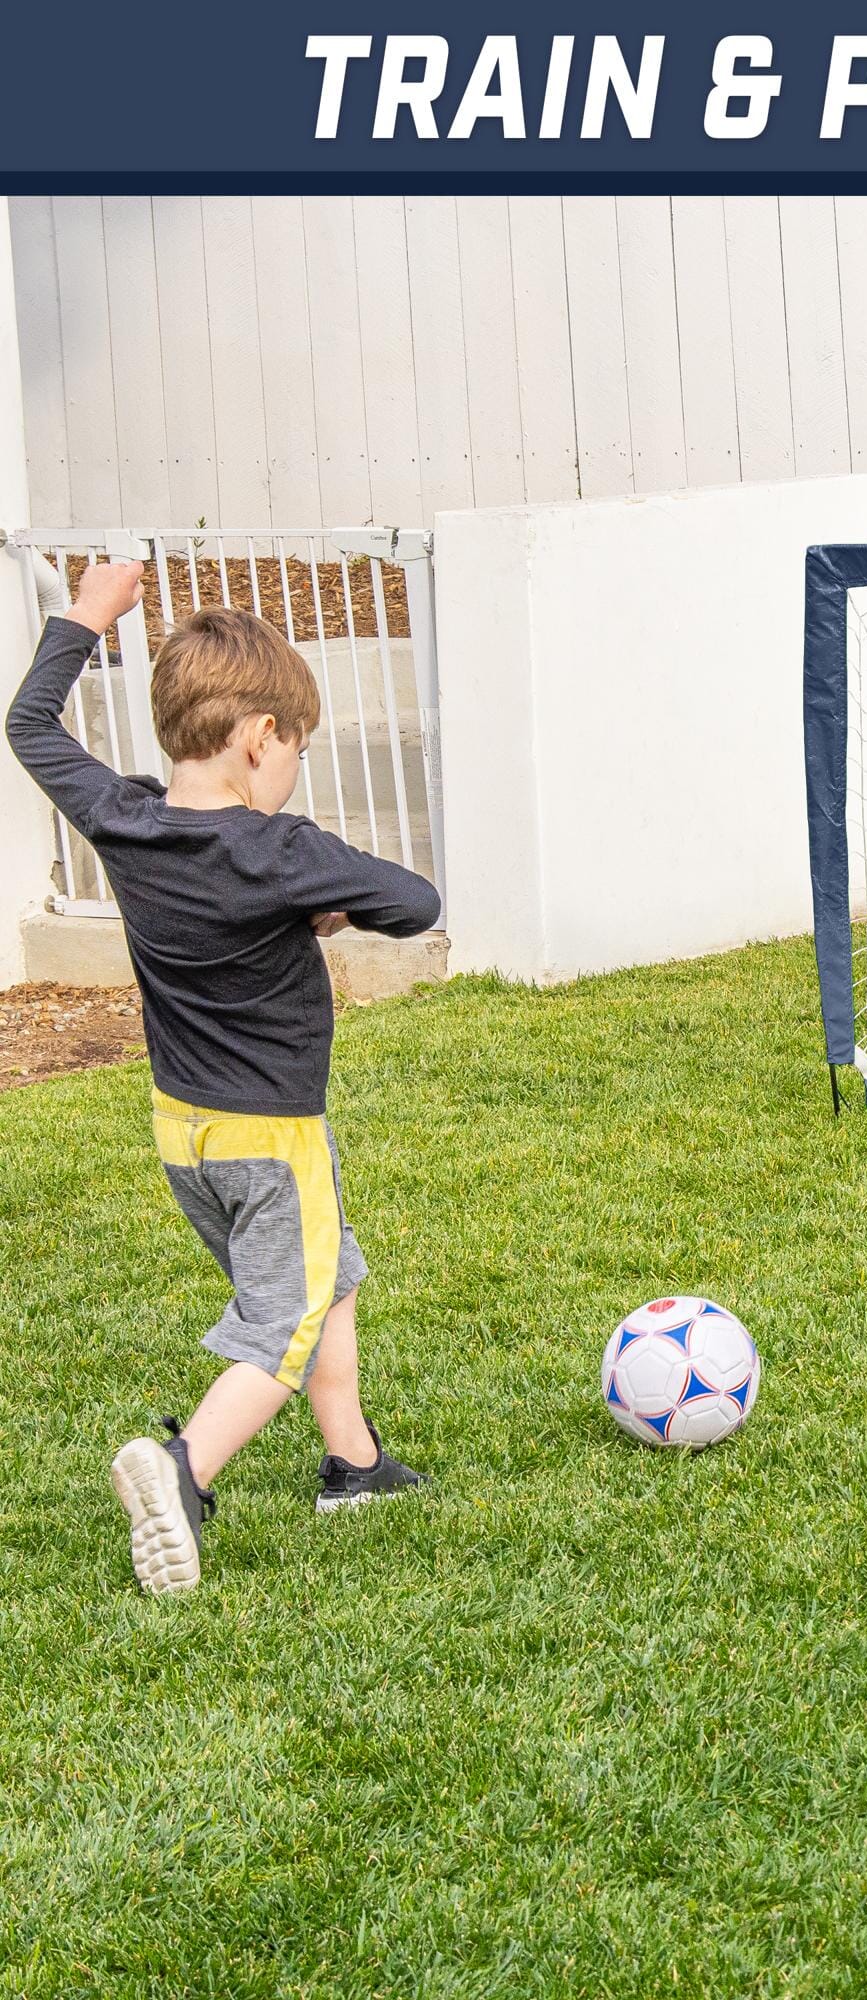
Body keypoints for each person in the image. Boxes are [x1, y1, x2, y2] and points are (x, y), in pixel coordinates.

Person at [6, 561, 441, 1592]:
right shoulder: (279, 852)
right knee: (280, 1325)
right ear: (258, 737)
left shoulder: (124, 816)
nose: (291, 767)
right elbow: (416, 900)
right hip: (271, 1136)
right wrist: (329, 906)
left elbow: (30, 726)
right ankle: (182, 1468)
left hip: (183, 1134)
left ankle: (357, 1463)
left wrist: (85, 617)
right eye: (295, 747)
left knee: (325, 1276)